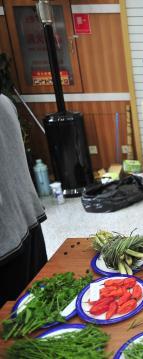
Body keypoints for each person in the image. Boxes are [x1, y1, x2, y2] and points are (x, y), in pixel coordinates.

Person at [0, 94, 47, 308]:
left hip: (6, 242)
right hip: (28, 218)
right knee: (40, 303)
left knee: (15, 322)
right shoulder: (3, 101)